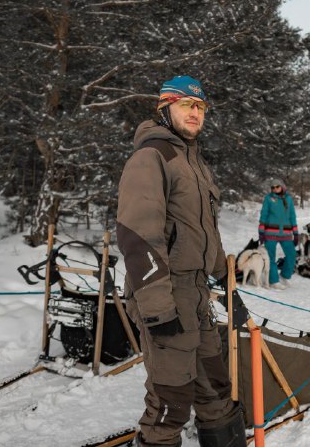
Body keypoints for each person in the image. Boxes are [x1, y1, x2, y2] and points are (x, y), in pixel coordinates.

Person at [116, 76, 245, 447]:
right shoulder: (151, 157)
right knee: (171, 400)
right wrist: (158, 309)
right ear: (164, 108)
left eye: (201, 107)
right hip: (164, 293)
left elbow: (202, 230)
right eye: (187, 104)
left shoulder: (195, 163)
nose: (195, 113)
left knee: (215, 388)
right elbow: (139, 237)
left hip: (197, 293)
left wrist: (225, 276)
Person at [258, 179, 297, 290]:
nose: (275, 189)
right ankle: (273, 280)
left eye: (277, 187)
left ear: (282, 187)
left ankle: (285, 276)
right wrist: (261, 231)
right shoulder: (268, 199)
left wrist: (296, 232)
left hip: (286, 233)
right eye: (273, 187)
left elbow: (292, 216)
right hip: (270, 232)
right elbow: (264, 214)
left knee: (292, 254)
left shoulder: (288, 199)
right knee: (270, 257)